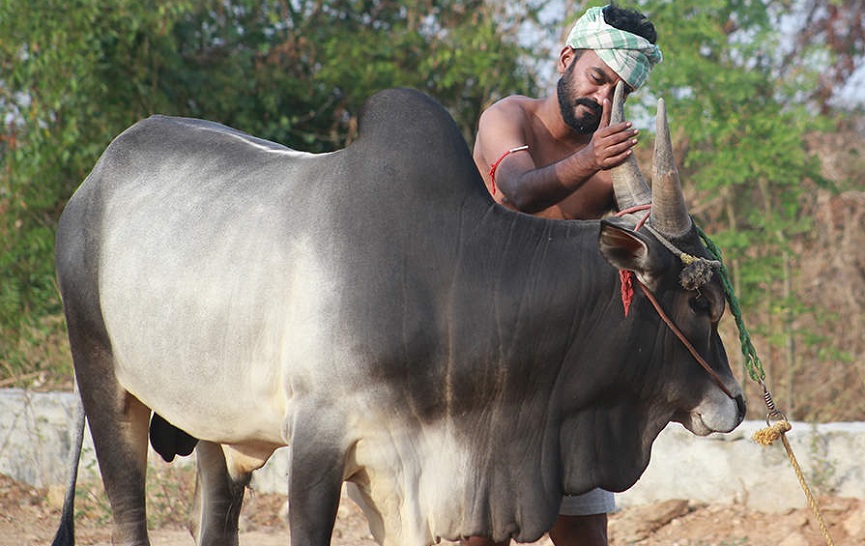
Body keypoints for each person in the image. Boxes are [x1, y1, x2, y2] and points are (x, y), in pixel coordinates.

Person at [469, 4, 661, 546]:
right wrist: (592, 160)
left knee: (583, 532)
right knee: (479, 530)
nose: (602, 99)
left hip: (563, 367)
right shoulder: (508, 118)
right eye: (598, 78)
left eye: (618, 92)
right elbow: (521, 191)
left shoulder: (612, 165)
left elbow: (642, 244)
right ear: (567, 58)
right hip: (486, 360)